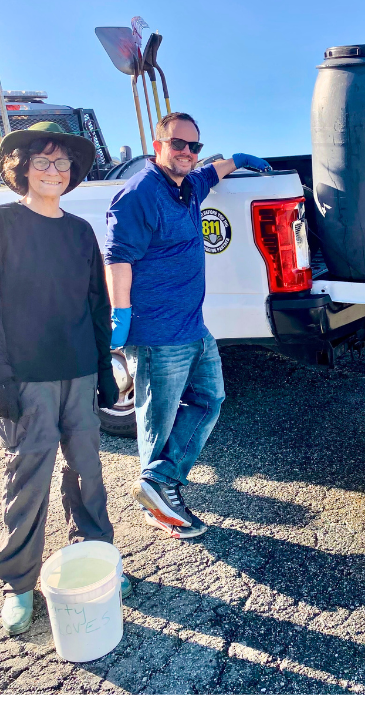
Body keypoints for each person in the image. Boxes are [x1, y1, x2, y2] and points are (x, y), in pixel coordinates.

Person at [0, 123, 127, 635]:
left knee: (87, 471)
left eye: (62, 164)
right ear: (23, 168)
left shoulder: (79, 231)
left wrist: (105, 371)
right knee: (28, 478)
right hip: (27, 377)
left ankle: (98, 554)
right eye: (43, 162)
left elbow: (96, 305)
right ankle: (18, 583)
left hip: (78, 371)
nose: (53, 171)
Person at [105, 112, 271, 537]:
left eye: (194, 146)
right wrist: (119, 315)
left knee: (210, 398)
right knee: (158, 417)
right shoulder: (139, 193)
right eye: (177, 144)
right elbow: (118, 258)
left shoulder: (186, 185)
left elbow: (209, 174)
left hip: (193, 326)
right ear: (157, 145)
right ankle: (159, 498)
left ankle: (157, 483)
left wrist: (235, 159)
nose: (187, 153)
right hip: (157, 331)